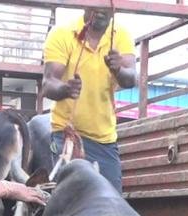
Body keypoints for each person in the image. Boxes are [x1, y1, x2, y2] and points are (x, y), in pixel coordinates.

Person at [41, 9, 137, 192]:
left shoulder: (121, 35)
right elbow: (48, 84)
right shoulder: (62, 33)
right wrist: (65, 89)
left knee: (112, 201)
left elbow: (131, 79)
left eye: (106, 6)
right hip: (67, 135)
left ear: (114, 8)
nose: (101, 10)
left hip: (105, 139)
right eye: (96, 4)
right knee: (70, 201)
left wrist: (118, 70)